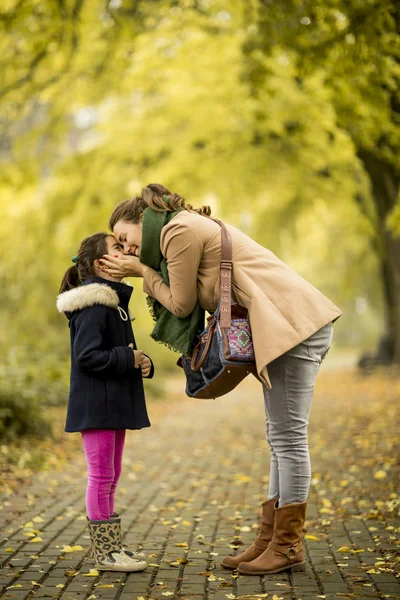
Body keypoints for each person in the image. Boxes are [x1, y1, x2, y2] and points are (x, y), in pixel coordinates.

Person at [99, 183, 342, 575]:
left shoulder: (175, 231)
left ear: (141, 220)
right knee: (279, 436)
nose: (125, 249)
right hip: (284, 324)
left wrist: (142, 270)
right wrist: (143, 266)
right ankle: (270, 540)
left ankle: (286, 545)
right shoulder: (177, 229)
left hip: (295, 326)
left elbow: (181, 303)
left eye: (125, 239)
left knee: (288, 437)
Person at [57, 232, 154, 572]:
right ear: (102, 263)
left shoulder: (113, 303)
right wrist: (126, 358)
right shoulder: (94, 303)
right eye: (118, 248)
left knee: (112, 474)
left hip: (112, 403)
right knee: (101, 475)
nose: (126, 251)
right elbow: (86, 356)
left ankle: (114, 548)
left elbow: (119, 353)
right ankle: (106, 553)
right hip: (96, 404)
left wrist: (140, 361)